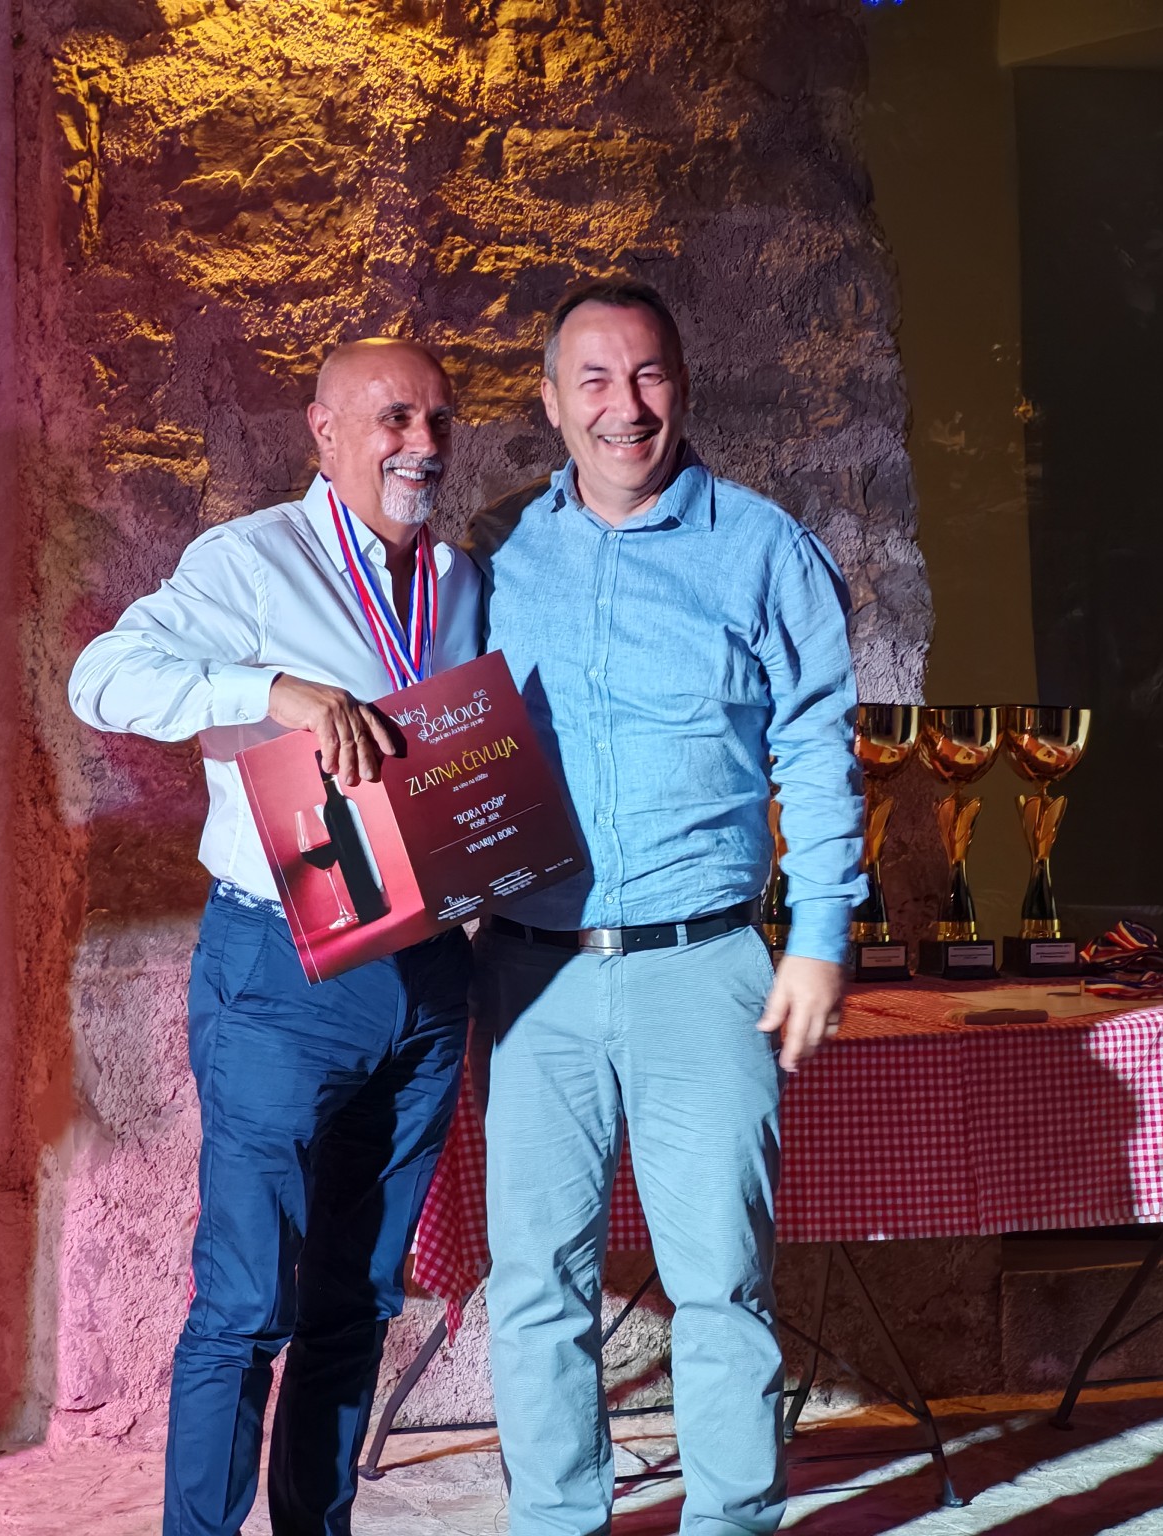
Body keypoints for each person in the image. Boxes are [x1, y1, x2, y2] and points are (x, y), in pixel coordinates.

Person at [468, 280, 863, 1536]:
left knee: (719, 1284)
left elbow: (818, 749)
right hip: (529, 975)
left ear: (680, 389)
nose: (621, 406)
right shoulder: (495, 559)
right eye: (591, 379)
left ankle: (731, 1522)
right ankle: (555, 1523)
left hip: (703, 966)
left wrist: (817, 938)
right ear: (549, 402)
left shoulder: (763, 549)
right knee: (533, 1284)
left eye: (644, 375)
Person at [68, 338, 481, 1536]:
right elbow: (101, 679)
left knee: (357, 1298)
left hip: (425, 968)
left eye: (438, 420)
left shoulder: (458, 580)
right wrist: (269, 690)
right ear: (323, 430)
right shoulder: (250, 563)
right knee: (246, 1303)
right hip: (283, 973)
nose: (420, 444)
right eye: (393, 417)